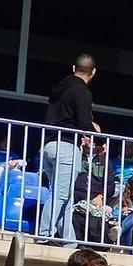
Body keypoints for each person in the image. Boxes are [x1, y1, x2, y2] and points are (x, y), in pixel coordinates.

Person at [38, 53, 100, 243]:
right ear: (93, 72)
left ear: (74, 68)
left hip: (49, 146)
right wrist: (97, 135)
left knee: (66, 196)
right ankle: (43, 235)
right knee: (61, 194)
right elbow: (83, 122)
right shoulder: (81, 91)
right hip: (66, 147)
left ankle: (69, 241)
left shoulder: (58, 88)